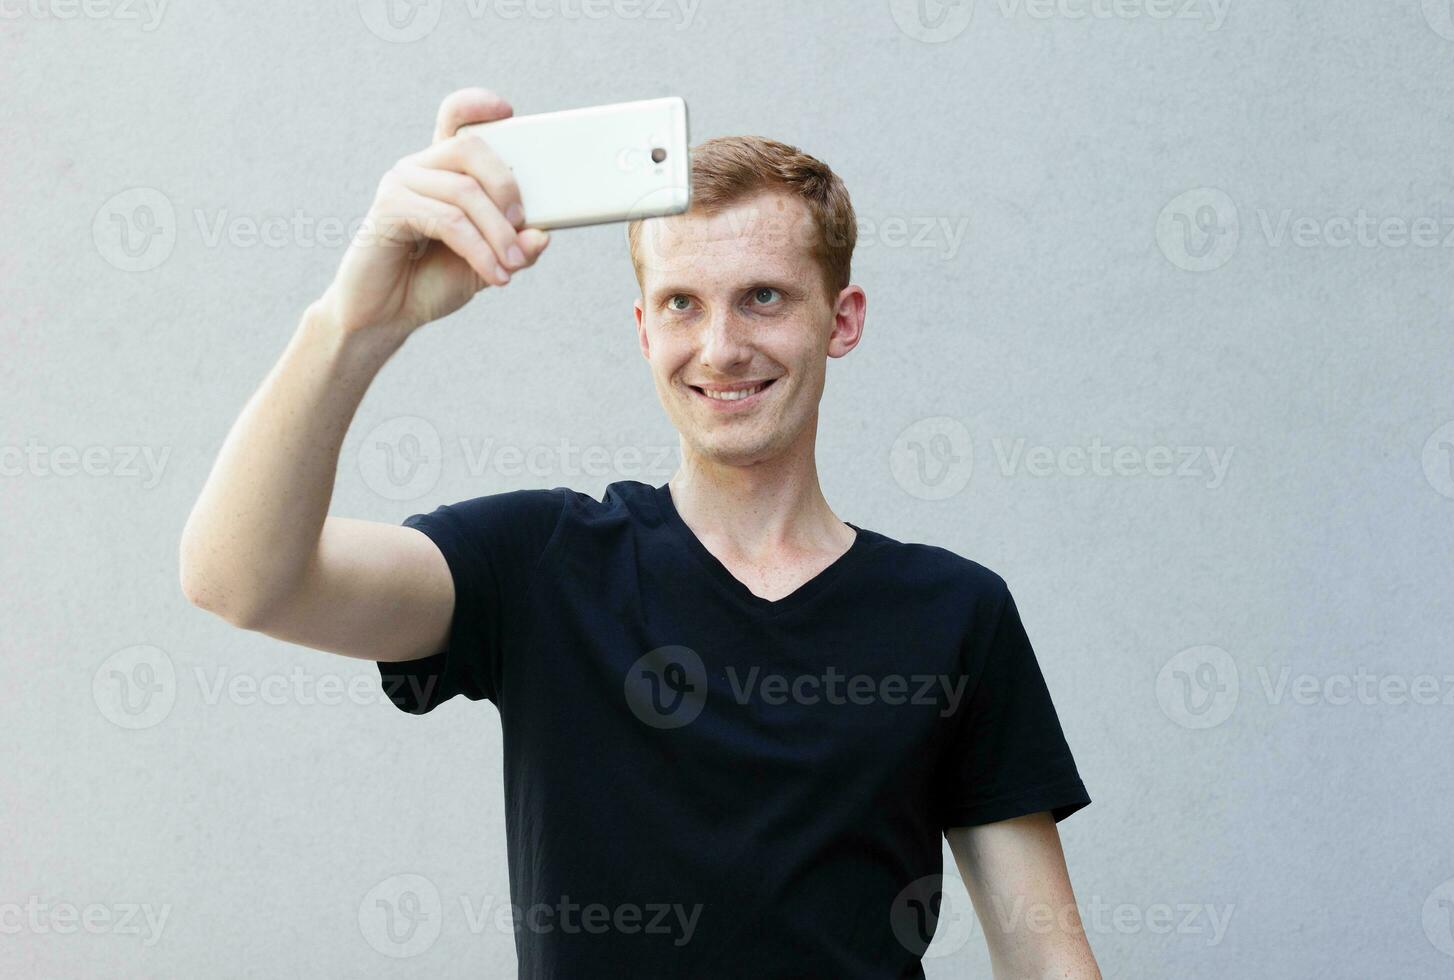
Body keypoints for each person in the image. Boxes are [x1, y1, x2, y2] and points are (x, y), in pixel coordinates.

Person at [179, 87, 1100, 979]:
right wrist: (356, 322)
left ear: (841, 320)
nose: (721, 347)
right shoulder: (540, 565)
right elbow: (240, 579)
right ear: (642, 327)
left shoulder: (953, 611)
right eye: (682, 304)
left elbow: (1045, 957)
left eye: (765, 298)